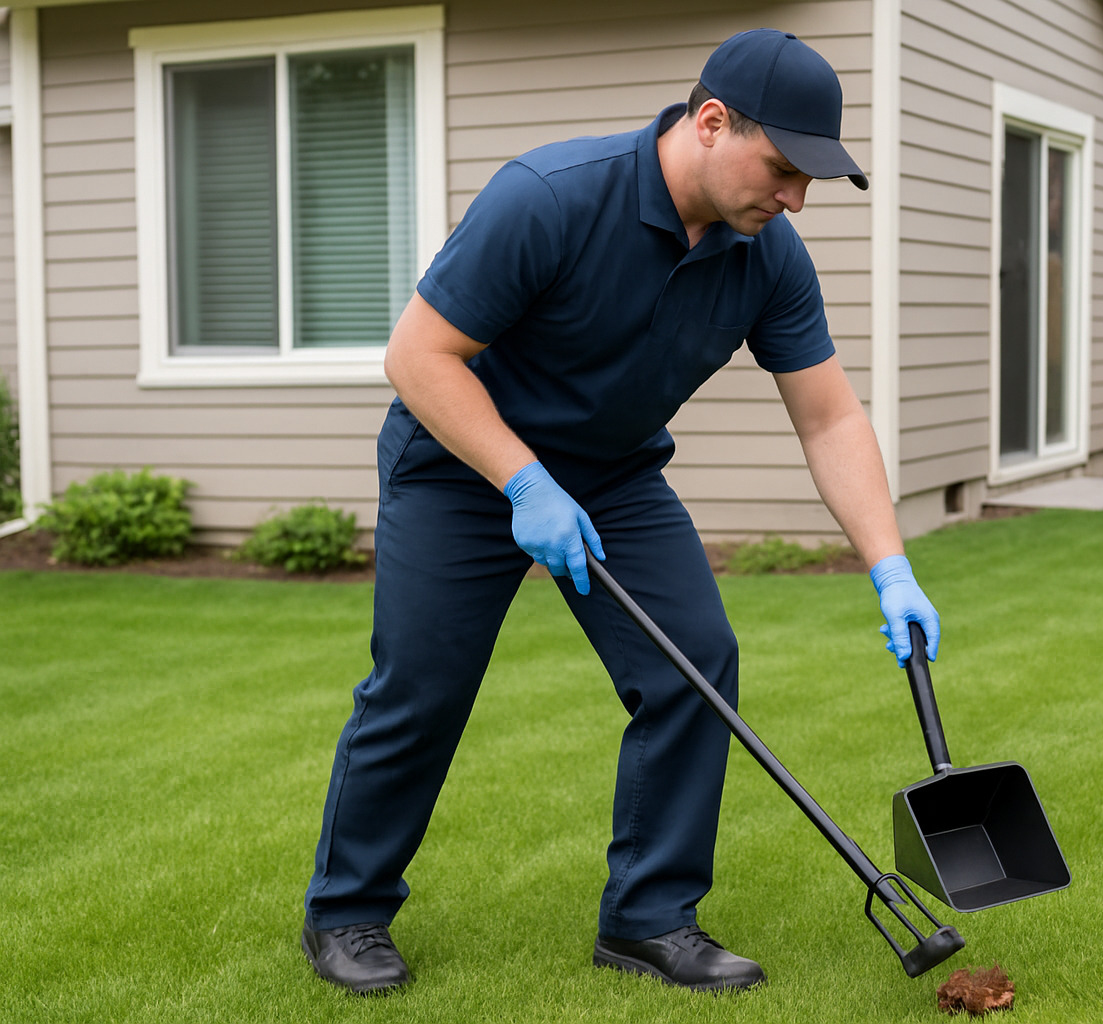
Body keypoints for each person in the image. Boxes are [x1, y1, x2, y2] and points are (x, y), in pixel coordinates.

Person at [299, 28, 941, 996]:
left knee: (695, 659)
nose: (797, 198)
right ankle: (346, 910)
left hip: (611, 475)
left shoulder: (765, 255)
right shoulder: (551, 197)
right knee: (421, 687)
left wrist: (891, 565)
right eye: (784, 169)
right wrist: (522, 481)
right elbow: (418, 358)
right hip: (460, 464)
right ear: (712, 123)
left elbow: (830, 417)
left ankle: (648, 919)